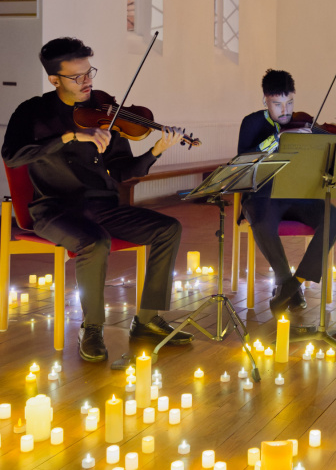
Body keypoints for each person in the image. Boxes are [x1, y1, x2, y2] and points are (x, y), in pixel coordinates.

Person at [2, 37, 194, 362]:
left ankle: (147, 320)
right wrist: (69, 136)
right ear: (54, 79)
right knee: (95, 242)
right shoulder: (32, 111)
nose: (87, 81)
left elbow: (122, 170)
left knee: (168, 228)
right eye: (76, 76)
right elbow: (13, 155)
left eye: (89, 72)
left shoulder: (104, 110)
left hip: (103, 206)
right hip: (54, 209)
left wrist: (155, 151)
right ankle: (91, 328)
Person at [237, 69, 336, 315]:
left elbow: (334, 145)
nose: (285, 111)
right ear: (265, 100)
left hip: (297, 196)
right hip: (261, 196)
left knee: (335, 218)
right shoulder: (252, 122)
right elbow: (243, 160)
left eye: (290, 103)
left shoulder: (304, 124)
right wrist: (279, 137)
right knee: (262, 222)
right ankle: (286, 281)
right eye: (277, 104)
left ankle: (292, 285)